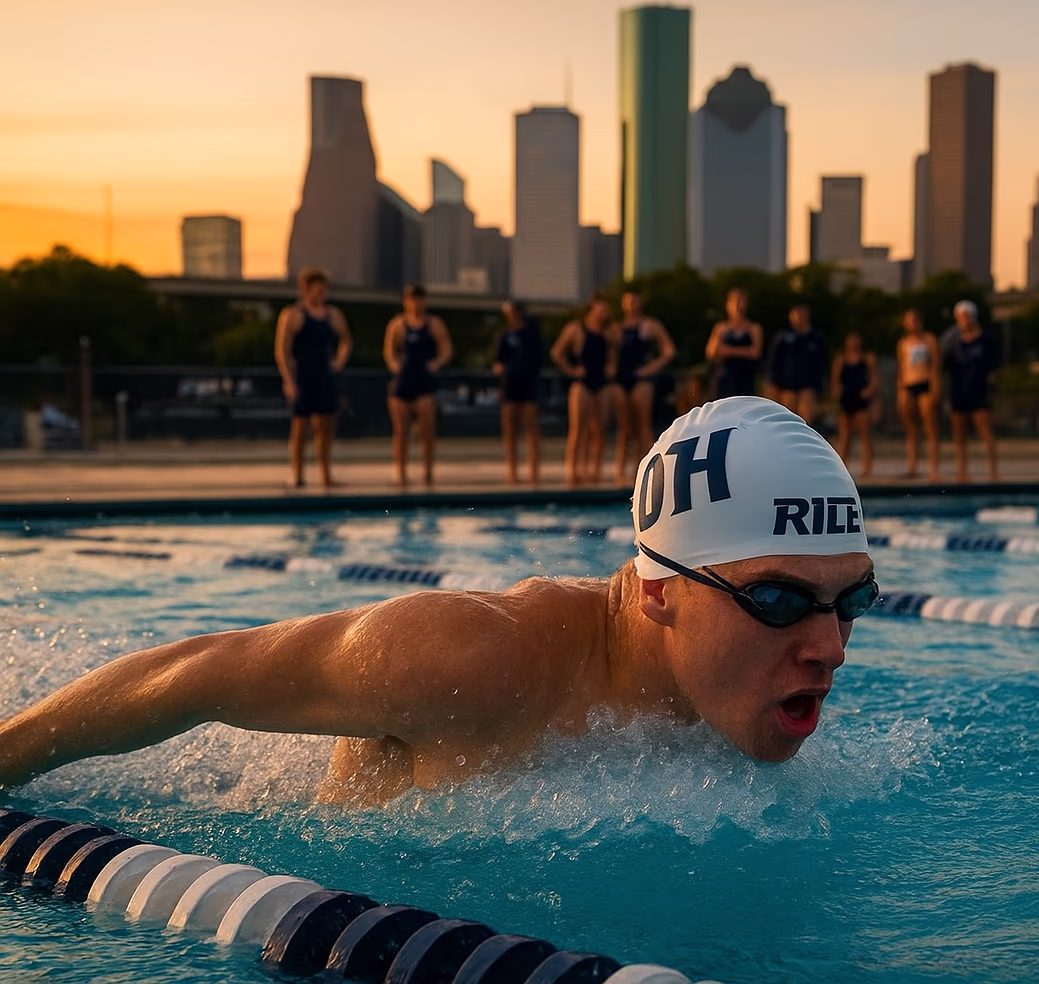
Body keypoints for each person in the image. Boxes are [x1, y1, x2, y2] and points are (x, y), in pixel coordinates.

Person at [0, 398, 878, 806]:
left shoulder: (727, 696)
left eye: (850, 602)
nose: (829, 646)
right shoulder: (474, 660)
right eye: (776, 598)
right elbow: (200, 672)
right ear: (657, 589)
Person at [275, 267, 352, 489]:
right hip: (303, 375)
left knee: (326, 427)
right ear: (305, 289)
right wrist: (288, 379)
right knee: (300, 427)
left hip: (325, 375)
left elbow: (346, 339)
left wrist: (338, 361)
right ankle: (297, 474)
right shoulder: (293, 314)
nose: (321, 294)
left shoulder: (333, 315)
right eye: (317, 290)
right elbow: (282, 351)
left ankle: (326, 475)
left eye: (323, 290)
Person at [383, 284, 453, 488]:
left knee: (426, 430)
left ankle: (428, 471)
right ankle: (401, 472)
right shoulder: (398, 324)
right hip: (404, 379)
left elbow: (446, 347)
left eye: (419, 299)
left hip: (424, 380)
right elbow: (389, 349)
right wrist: (394, 365)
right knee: (401, 430)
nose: (415, 304)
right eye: (412, 299)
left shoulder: (433, 323)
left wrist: (437, 363)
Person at [610, 291, 677, 487]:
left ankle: (650, 471)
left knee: (643, 426)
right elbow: (609, 353)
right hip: (622, 379)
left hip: (641, 379)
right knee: (624, 428)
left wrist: (651, 368)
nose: (632, 305)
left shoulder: (650, 325)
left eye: (635, 301)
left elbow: (669, 350)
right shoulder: (617, 329)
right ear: (623, 304)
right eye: (628, 301)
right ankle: (620, 473)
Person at [550, 298, 613, 486]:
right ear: (592, 309)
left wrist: (611, 366)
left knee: (599, 430)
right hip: (582, 383)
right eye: (600, 309)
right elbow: (557, 352)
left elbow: (613, 355)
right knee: (578, 429)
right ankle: (572, 471)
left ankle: (594, 472)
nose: (603, 313)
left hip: (601, 383)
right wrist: (571, 370)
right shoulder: (576, 329)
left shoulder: (608, 332)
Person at [942, 301, 1000, 483]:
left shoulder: (986, 340)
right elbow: (945, 366)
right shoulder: (953, 343)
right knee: (959, 435)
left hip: (979, 392)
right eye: (961, 317)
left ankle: (993, 472)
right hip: (959, 391)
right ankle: (962, 472)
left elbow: (994, 366)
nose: (964, 320)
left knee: (986, 432)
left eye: (967, 316)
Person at [494, 301, 544, 486]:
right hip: (510, 384)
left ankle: (533, 471)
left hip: (528, 383)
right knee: (510, 429)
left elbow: (539, 356)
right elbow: (497, 361)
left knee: (531, 427)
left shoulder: (531, 333)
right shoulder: (504, 335)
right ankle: (512, 471)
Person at [896, 309, 941, 482]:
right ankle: (912, 466)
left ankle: (933, 469)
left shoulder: (929, 340)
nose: (913, 323)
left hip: (925, 383)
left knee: (930, 427)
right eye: (910, 320)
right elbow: (901, 368)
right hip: (909, 384)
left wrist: (935, 389)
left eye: (916, 319)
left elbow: (935, 365)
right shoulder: (903, 343)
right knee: (911, 429)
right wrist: (900, 392)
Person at [768, 305, 829, 425]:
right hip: (787, 387)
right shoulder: (783, 338)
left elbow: (823, 363)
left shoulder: (816, 338)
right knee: (787, 421)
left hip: (808, 386)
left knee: (805, 422)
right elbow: (774, 363)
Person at [832, 332, 877, 478]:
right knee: (845, 436)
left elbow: (874, 379)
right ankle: (843, 467)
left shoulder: (867, 359)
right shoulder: (841, 360)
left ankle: (867, 468)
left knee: (865, 435)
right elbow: (835, 380)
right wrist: (836, 394)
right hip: (846, 399)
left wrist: (869, 392)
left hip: (861, 399)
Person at [705, 288, 763, 399]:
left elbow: (755, 353)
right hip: (724, 380)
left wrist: (727, 351)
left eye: (741, 301)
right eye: (734, 301)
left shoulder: (753, 328)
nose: (737, 305)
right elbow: (711, 353)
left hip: (745, 379)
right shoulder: (721, 328)